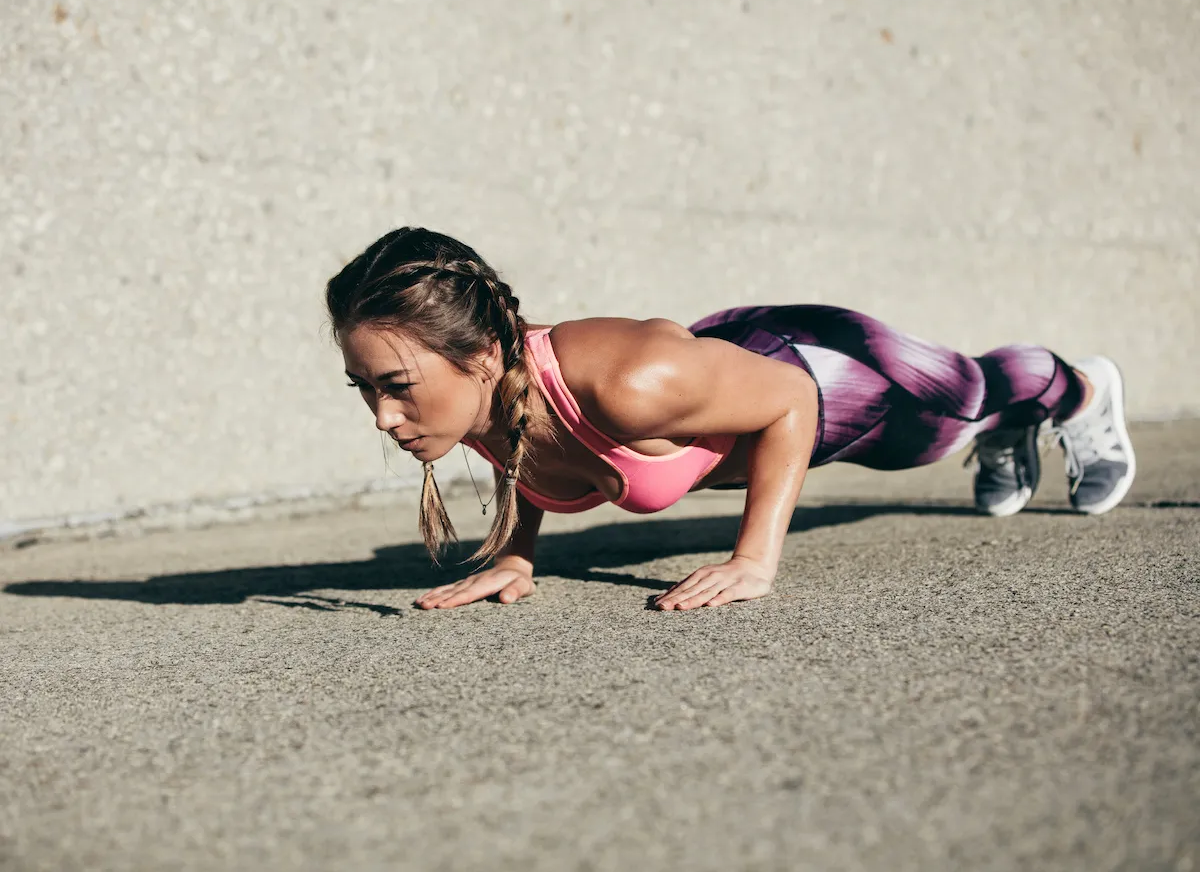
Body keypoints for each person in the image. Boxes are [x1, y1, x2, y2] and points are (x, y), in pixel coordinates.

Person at [326, 227, 1136, 612]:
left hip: (818, 369)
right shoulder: (475, 397)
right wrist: (515, 554)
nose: (381, 415)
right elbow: (527, 445)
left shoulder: (629, 382)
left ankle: (1083, 392)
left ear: (476, 355)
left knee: (957, 409)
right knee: (958, 421)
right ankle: (1010, 425)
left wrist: (754, 560)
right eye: (364, 388)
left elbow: (793, 400)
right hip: (735, 371)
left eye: (395, 385)